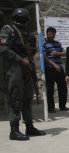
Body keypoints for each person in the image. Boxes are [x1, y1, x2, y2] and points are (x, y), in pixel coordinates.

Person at [0, 8, 46, 140]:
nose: (24, 21)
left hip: (27, 68)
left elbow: (33, 50)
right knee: (15, 98)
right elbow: (2, 48)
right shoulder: (7, 30)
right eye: (21, 18)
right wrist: (20, 59)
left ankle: (29, 126)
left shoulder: (26, 33)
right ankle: (14, 130)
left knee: (27, 98)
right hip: (14, 67)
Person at [43, 27, 68, 113]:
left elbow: (65, 52)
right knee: (50, 89)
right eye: (50, 33)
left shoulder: (57, 43)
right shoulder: (44, 44)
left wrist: (57, 53)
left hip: (60, 68)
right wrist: (54, 65)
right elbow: (44, 57)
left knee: (63, 87)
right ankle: (51, 107)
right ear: (47, 34)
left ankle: (62, 105)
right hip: (50, 69)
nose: (52, 35)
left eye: (53, 34)